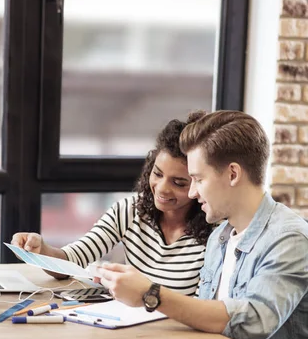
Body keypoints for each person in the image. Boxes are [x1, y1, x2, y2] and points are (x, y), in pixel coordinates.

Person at [97, 110, 308, 339]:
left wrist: (152, 294)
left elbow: (253, 324)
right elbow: (204, 318)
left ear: (233, 174)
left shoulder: (290, 240)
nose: (192, 193)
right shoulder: (219, 239)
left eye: (197, 178)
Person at [12, 112, 212, 294]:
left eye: (179, 183)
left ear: (199, 181)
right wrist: (41, 251)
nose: (161, 188)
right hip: (130, 327)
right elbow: (72, 260)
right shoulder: (131, 210)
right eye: (157, 174)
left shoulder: (215, 231)